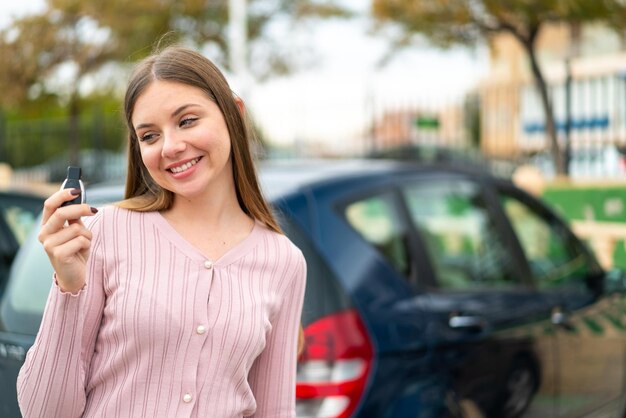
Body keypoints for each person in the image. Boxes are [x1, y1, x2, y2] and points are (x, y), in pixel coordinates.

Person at [17, 45, 307, 418]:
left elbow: (275, 411)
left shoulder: (284, 261)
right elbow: (45, 413)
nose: (170, 146)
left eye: (187, 121)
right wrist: (69, 287)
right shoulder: (105, 232)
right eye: (150, 136)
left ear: (234, 113)